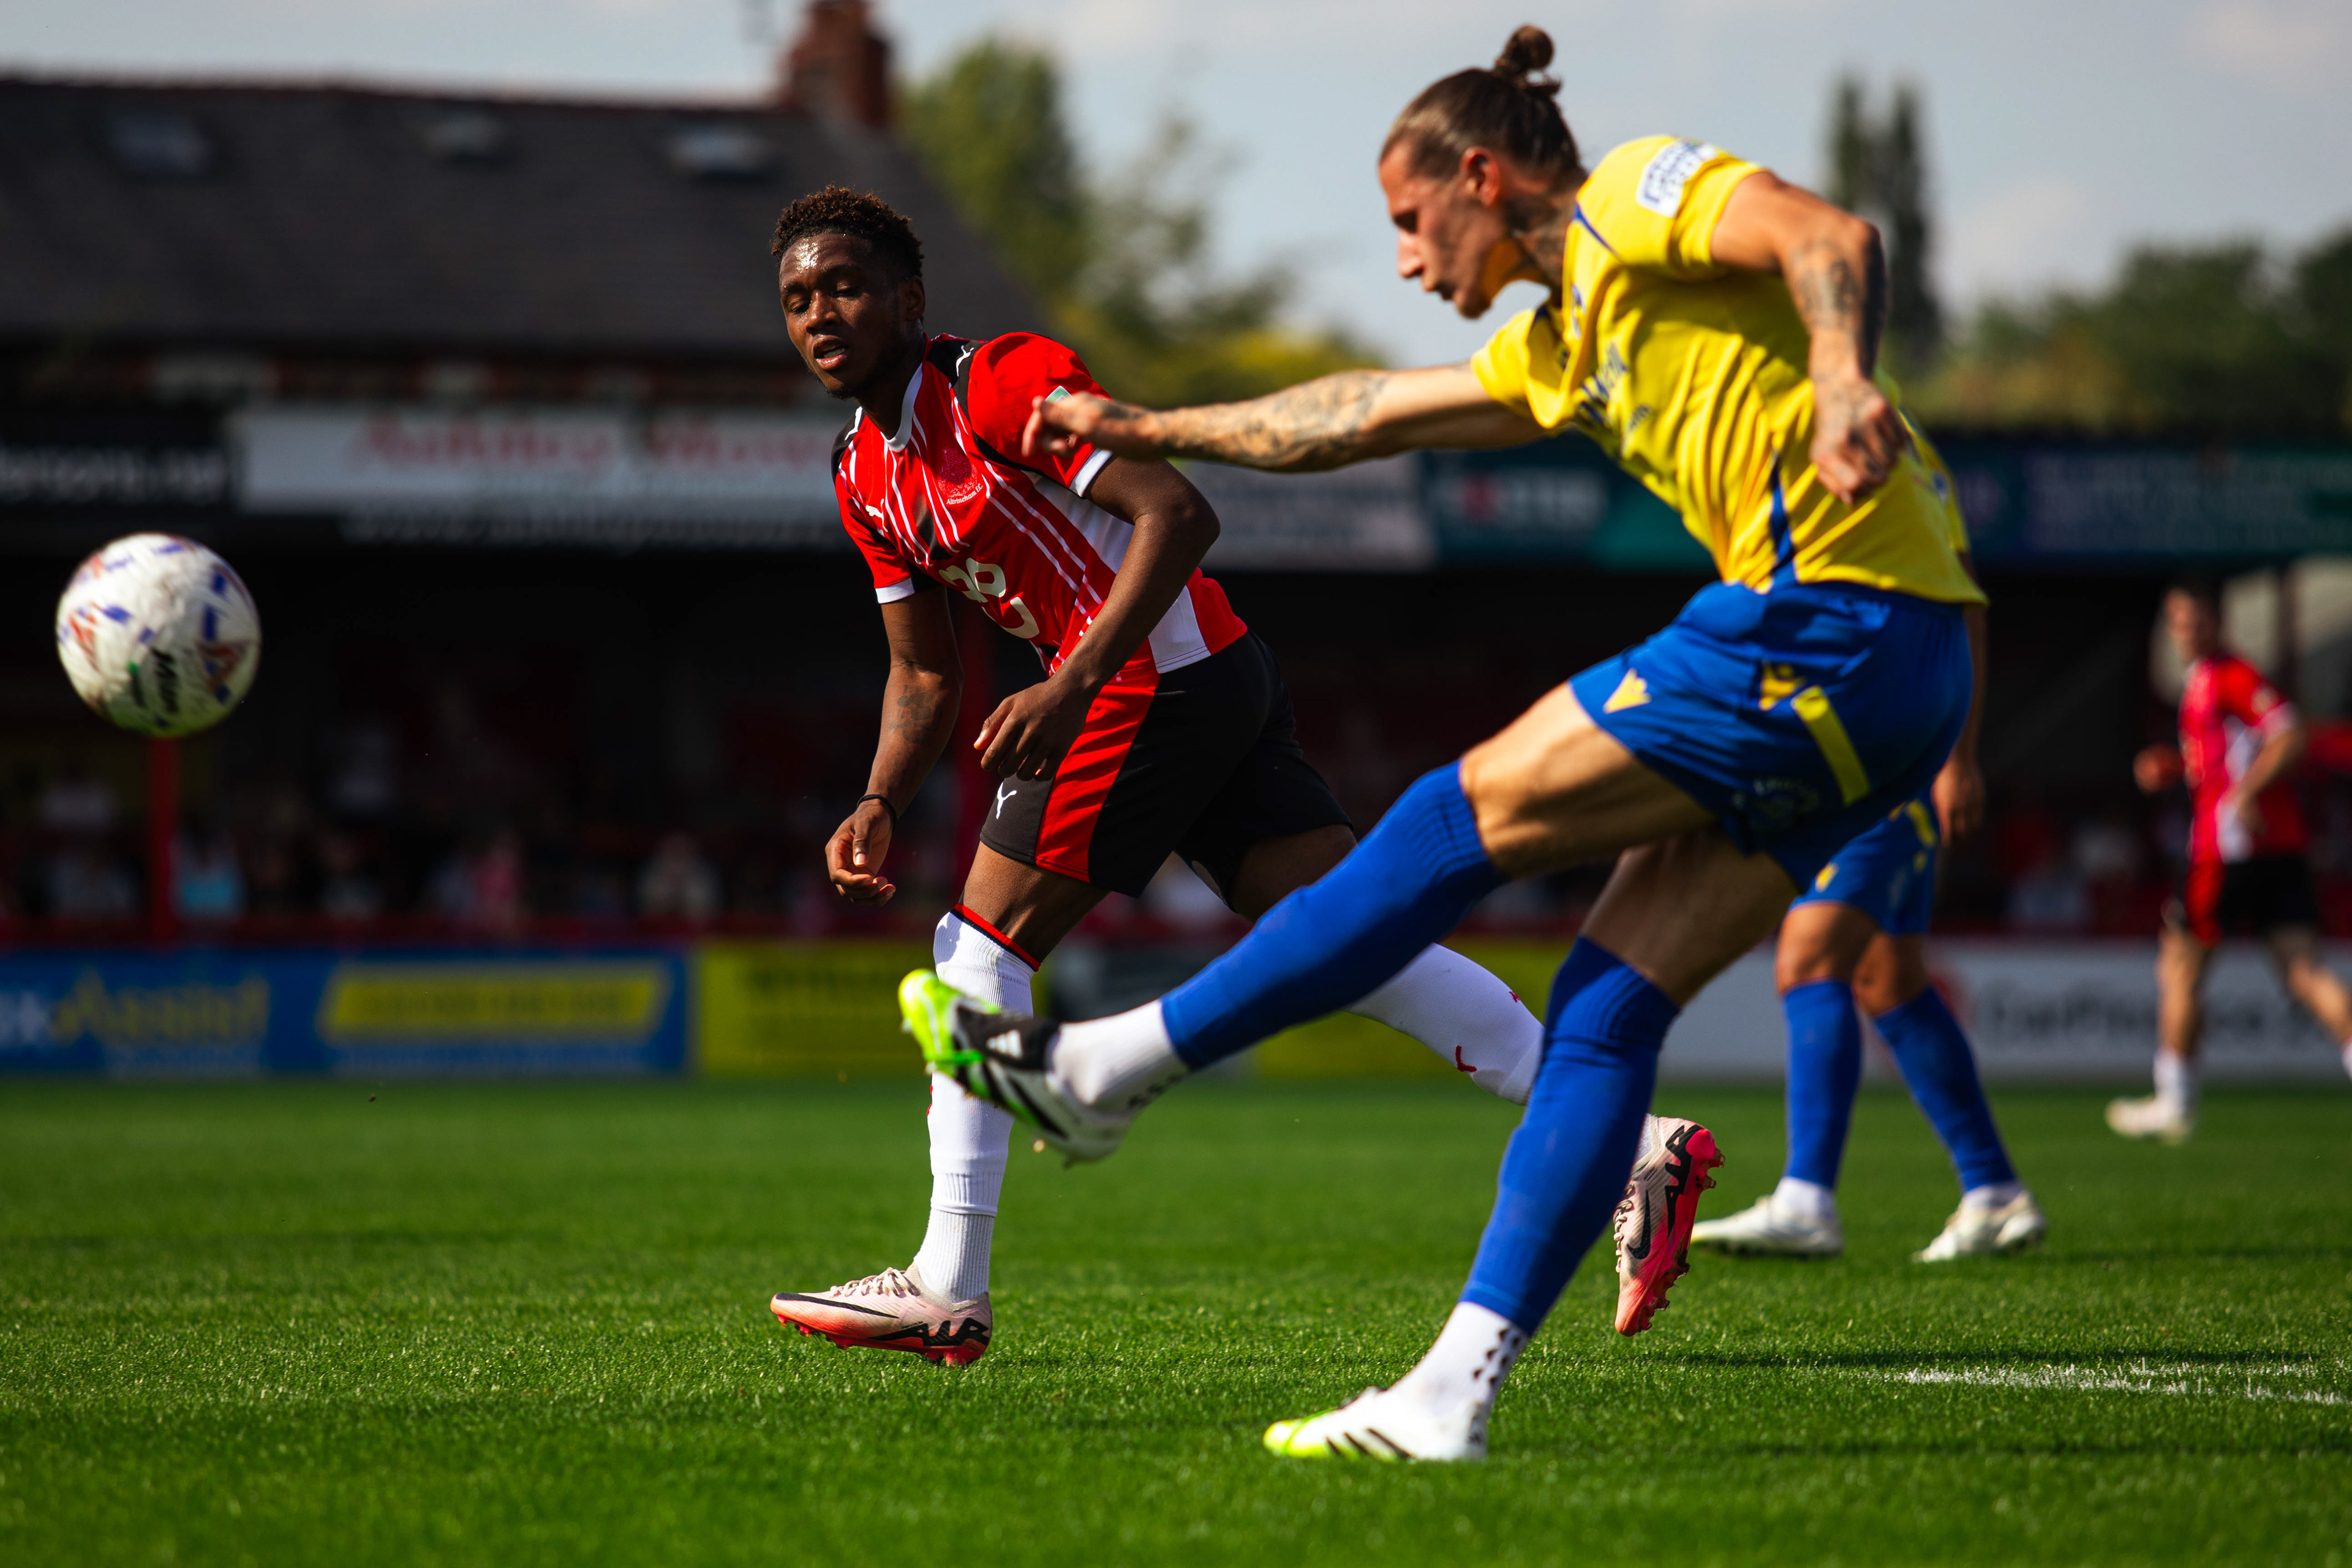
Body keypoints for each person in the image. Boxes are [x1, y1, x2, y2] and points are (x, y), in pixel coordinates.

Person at [906, 26, 1983, 1461]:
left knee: (1442, 817)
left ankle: (1109, 1069)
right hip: (1906, 673)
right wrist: (1150, 422)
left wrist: (1842, 373)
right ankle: (1445, 1399)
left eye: (1412, 222)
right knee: (1603, 1009)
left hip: (1824, 619)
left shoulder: (1633, 196)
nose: (1409, 263)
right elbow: (1353, 416)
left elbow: (1829, 234)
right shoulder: (1563, 344)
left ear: (1482, 176)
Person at [758, 186, 1702, 1368]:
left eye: (846, 287)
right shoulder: (862, 470)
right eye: (798, 298)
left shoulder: (996, 382)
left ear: (909, 300)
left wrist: (1072, 683)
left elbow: (1178, 512)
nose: (821, 314)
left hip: (1149, 681)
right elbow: (923, 674)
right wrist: (880, 800)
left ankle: (949, 1282)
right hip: (1202, 672)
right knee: (1355, 941)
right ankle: (1636, 1147)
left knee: (976, 952)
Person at [1689, 527, 2047, 1261]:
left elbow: (1964, 606)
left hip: (1878, 765)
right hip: (1852, 762)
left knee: (1809, 961)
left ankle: (1806, 1199)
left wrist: (1960, 757)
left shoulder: (1897, 478)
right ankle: (1993, 1189)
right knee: (1891, 983)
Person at [2111, 580, 2352, 1142]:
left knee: (2179, 966)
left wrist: (2245, 794)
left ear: (2218, 622)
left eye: (2195, 620)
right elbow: (2225, 757)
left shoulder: (2231, 675)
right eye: (2178, 622)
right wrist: (2175, 768)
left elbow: (2289, 733)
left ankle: (2174, 1100)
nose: (2186, 632)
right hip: (2277, 847)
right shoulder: (2201, 681)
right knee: (2304, 971)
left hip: (2227, 849)